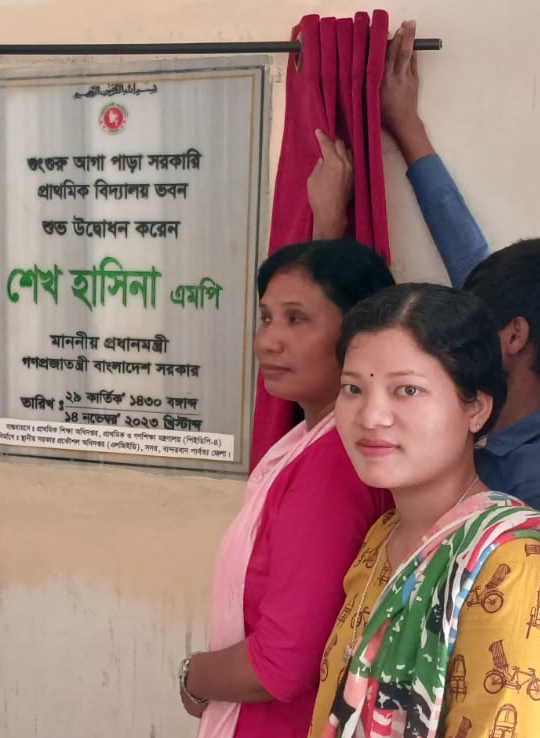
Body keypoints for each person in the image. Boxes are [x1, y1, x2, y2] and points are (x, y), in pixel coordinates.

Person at [310, 283, 540, 738]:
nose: (371, 416)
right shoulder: (385, 535)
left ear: (476, 409)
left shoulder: (517, 570)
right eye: (353, 388)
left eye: (407, 390)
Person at [179, 138, 394, 737]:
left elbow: (282, 661)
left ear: (358, 335)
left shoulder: (333, 465)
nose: (267, 341)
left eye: (296, 320)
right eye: (267, 317)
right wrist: (327, 223)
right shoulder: (312, 436)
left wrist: (194, 675)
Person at [379, 20, 540, 557]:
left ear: (513, 337)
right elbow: (464, 248)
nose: (453, 335)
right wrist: (406, 124)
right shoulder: (539, 376)